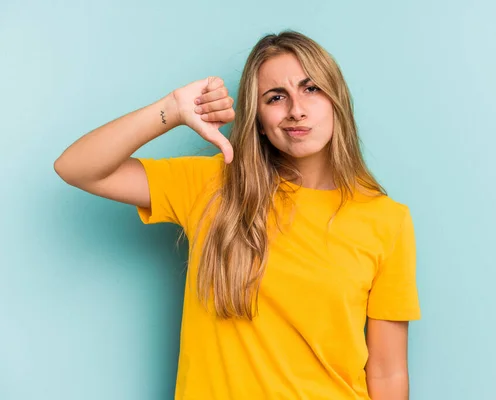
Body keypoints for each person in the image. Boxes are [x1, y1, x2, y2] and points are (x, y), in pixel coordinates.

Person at [54, 30, 421, 400]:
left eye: (312, 89)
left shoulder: (386, 220)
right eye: (275, 97)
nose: (296, 109)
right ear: (258, 119)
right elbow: (78, 167)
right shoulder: (213, 185)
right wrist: (172, 110)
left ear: (336, 100)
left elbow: (388, 373)